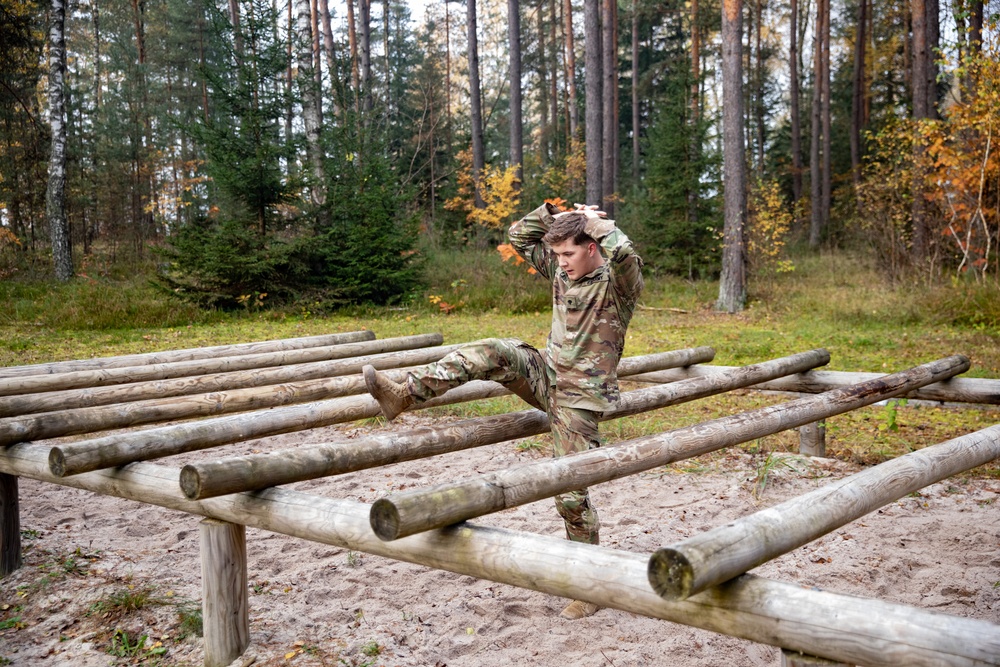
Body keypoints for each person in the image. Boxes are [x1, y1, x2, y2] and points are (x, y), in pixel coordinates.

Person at [362, 201, 644, 619]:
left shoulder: (617, 284)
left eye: (568, 253)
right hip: (545, 374)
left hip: (579, 399)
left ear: (590, 248)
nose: (561, 263)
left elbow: (625, 254)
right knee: (495, 351)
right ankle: (405, 394)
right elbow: (519, 236)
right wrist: (554, 213)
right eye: (558, 255)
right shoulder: (561, 273)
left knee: (569, 493)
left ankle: (589, 585)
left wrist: (595, 223)